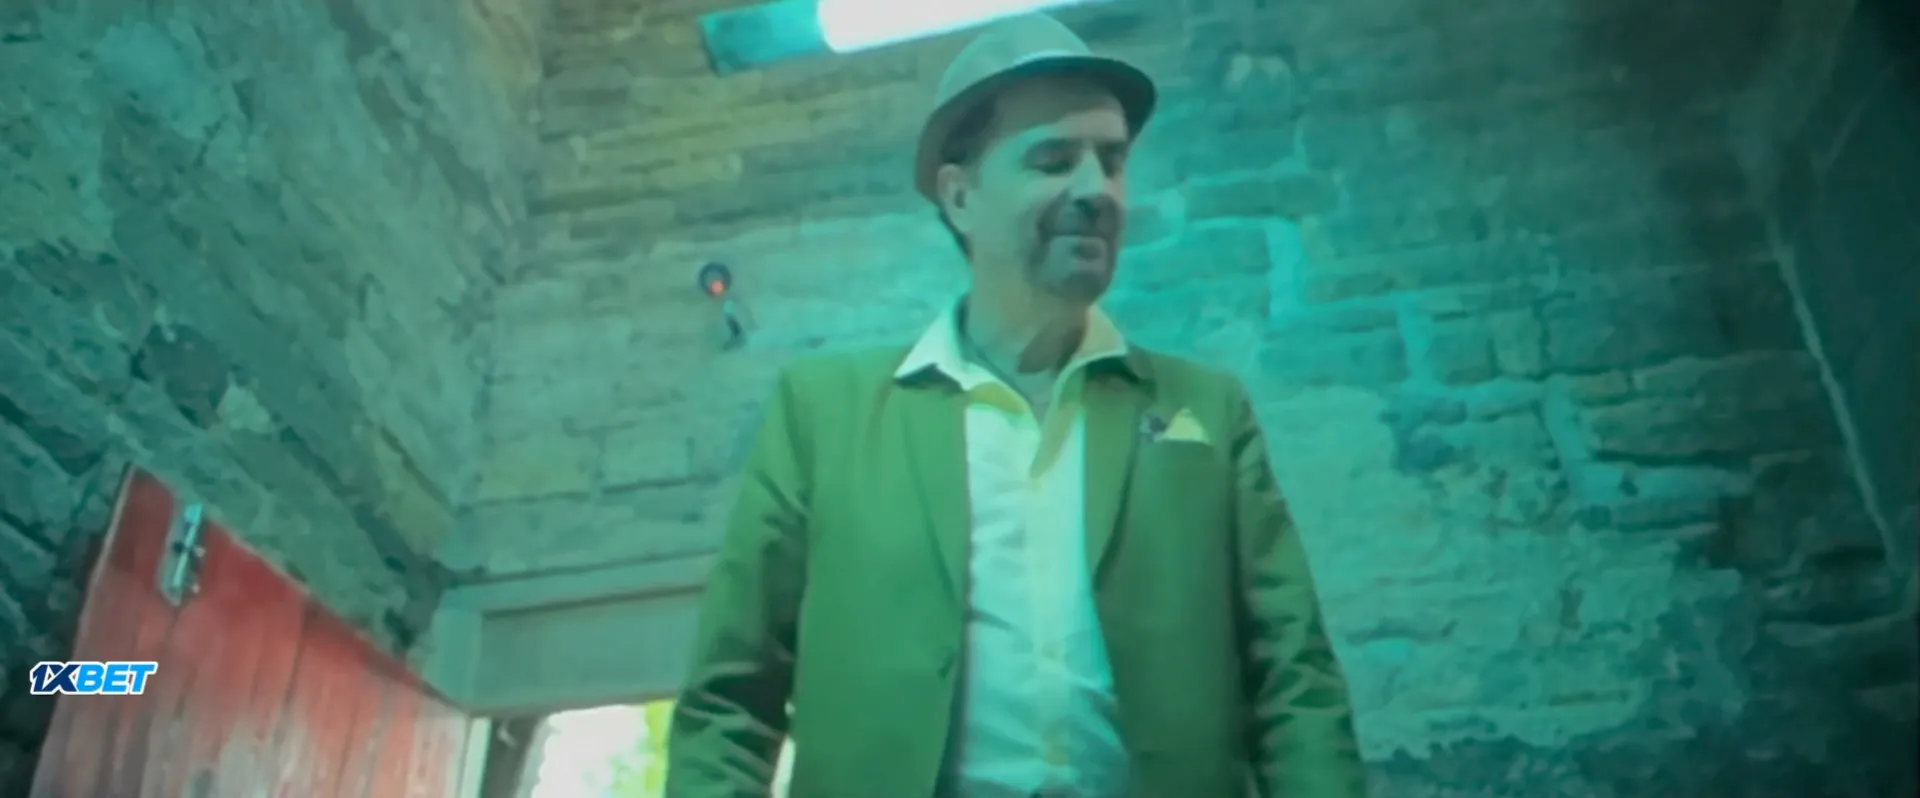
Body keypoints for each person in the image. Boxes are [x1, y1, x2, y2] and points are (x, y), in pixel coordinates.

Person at [666, 13, 1365, 798]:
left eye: (1112, 161)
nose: (1097, 191)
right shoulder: (823, 416)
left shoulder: (1206, 410)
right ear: (960, 196)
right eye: (1053, 160)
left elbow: (1294, 684)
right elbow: (729, 704)